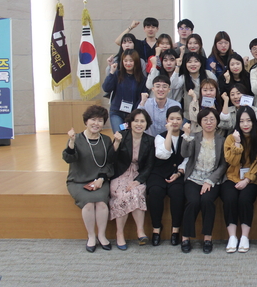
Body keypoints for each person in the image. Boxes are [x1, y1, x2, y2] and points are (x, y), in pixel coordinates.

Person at [63, 105, 119, 252]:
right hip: (78, 180)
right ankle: (91, 236)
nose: (96, 123)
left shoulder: (106, 140)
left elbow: (109, 163)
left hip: (99, 180)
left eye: (100, 120)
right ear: (86, 122)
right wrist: (71, 142)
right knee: (88, 204)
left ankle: (102, 235)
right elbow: (68, 158)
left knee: (101, 203)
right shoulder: (77, 138)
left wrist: (101, 178)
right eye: (93, 120)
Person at [179, 108, 227, 254]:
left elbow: (223, 165)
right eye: (205, 119)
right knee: (193, 202)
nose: (209, 122)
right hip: (193, 177)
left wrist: (210, 180)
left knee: (207, 201)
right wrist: (186, 136)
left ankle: (207, 238)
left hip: (212, 180)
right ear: (200, 122)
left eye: (212, 119)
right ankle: (185, 237)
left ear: (217, 122)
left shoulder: (222, 140)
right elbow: (185, 154)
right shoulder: (194, 137)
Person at [221, 106, 257, 253]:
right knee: (229, 199)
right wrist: (237, 144)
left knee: (245, 199)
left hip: (252, 179)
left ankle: (245, 237)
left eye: (248, 120)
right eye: (241, 121)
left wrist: (247, 180)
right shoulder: (231, 138)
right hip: (232, 176)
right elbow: (232, 162)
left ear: (254, 121)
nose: (245, 124)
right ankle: (232, 236)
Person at [110, 109, 154, 249]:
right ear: (130, 123)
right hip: (120, 174)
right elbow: (110, 159)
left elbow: (149, 165)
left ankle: (140, 231)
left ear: (146, 124)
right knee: (122, 195)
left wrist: (138, 180)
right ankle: (119, 233)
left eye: (142, 121)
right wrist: (116, 144)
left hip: (137, 174)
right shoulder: (122, 136)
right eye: (136, 121)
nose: (139, 124)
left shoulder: (149, 140)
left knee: (137, 192)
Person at [150, 106, 186, 247]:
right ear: (166, 120)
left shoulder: (186, 136)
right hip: (159, 172)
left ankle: (175, 229)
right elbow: (163, 155)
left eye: (178, 119)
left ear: (182, 120)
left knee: (178, 192)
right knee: (155, 191)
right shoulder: (160, 137)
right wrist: (169, 133)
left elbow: (188, 158)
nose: (175, 122)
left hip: (177, 173)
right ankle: (156, 229)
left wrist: (179, 173)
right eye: (172, 119)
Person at [102, 49, 148, 133]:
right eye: (125, 61)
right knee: (119, 135)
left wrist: (134, 114)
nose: (128, 63)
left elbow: (140, 98)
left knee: (129, 137)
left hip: (132, 114)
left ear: (136, 61)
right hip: (116, 112)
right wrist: (111, 72)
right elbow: (106, 88)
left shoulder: (142, 79)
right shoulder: (117, 74)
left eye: (131, 61)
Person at [177, 52, 217, 122]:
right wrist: (177, 66)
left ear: (200, 63)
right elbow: (174, 85)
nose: (193, 64)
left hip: (208, 114)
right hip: (189, 116)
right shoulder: (184, 77)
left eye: (196, 61)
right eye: (189, 62)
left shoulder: (208, 74)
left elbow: (217, 90)